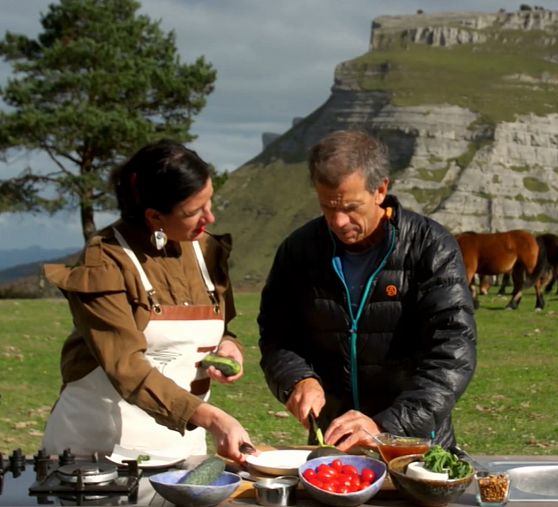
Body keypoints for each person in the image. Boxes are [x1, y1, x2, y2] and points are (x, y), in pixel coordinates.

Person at [258, 130, 477, 450]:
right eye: (327, 207)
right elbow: (277, 335)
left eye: (351, 207)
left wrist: (386, 425)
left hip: (414, 443)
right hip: (335, 444)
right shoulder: (299, 251)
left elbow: (453, 352)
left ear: (381, 190)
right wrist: (296, 379)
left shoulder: (430, 247)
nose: (339, 221)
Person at [42, 140, 254, 461]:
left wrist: (228, 347)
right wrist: (212, 418)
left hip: (182, 445)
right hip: (100, 449)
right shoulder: (106, 262)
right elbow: (126, 367)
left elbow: (223, 328)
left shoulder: (208, 250)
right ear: (155, 216)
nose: (209, 218)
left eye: (210, 202)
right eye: (194, 211)